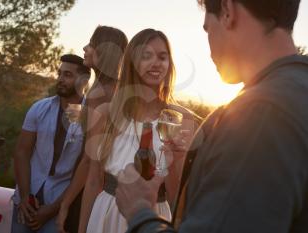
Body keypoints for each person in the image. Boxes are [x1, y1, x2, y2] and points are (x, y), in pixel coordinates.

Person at [115, 0, 308, 232]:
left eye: (207, 28)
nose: (209, 50)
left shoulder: (261, 114)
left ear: (227, 11)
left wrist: (139, 211)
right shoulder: (296, 88)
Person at [77, 28, 197, 233]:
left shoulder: (181, 119)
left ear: (169, 64)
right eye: (146, 56)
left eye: (162, 57)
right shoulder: (107, 112)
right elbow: (94, 180)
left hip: (154, 217)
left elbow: (176, 194)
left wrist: (177, 158)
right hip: (107, 214)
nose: (156, 63)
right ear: (132, 62)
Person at [57, 25, 128, 233]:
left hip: (100, 197)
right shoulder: (121, 90)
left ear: (104, 51)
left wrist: (67, 207)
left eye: (91, 44)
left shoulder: (99, 95)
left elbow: (92, 165)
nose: (85, 48)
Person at [11, 54, 91, 233]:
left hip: (61, 208)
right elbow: (22, 153)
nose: (61, 79)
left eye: (68, 75)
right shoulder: (39, 108)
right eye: (60, 73)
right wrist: (24, 197)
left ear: (84, 81)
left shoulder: (93, 118)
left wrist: (53, 209)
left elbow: (86, 170)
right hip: (25, 202)